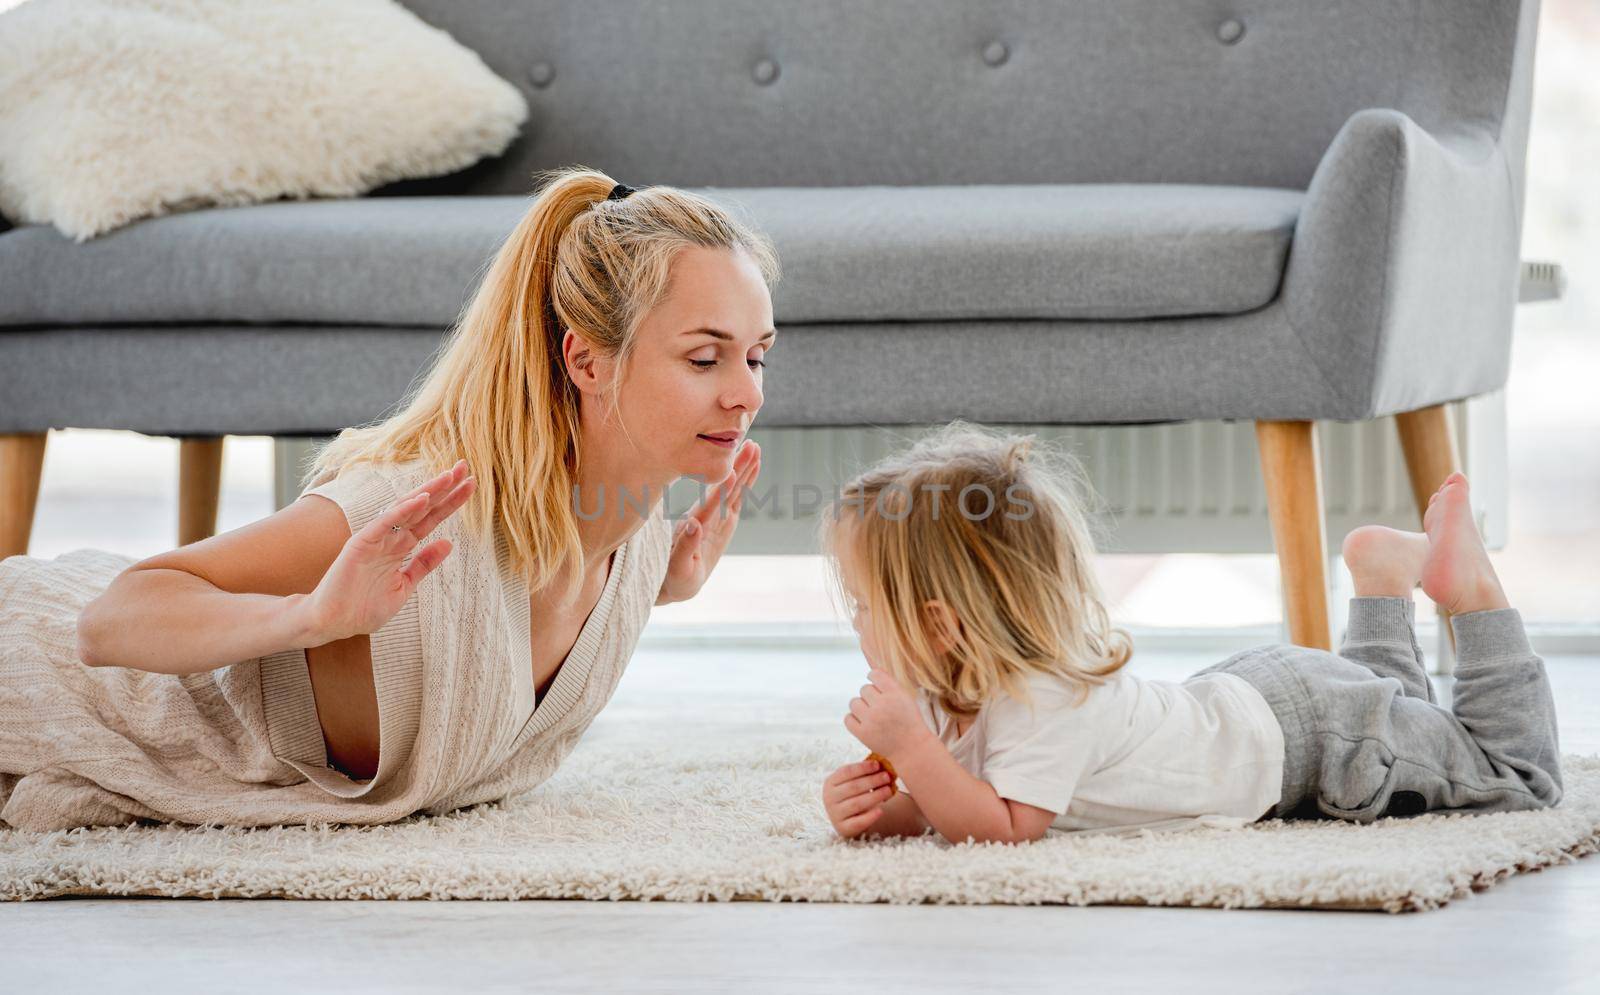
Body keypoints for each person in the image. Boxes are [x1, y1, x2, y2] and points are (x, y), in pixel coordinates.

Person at [0, 167, 779, 831]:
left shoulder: (633, 533)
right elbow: (109, 621)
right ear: (588, 361)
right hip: (36, 673)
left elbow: (519, 627)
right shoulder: (413, 512)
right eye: (705, 358)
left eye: (756, 356)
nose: (745, 393)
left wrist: (666, 582)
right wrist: (311, 617)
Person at [820, 421, 1562, 844]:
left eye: (862, 603)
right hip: (1265, 698)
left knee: (1516, 777)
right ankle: (1382, 581)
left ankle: (1477, 598)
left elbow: (1007, 823)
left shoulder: (1042, 697)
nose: (853, 620)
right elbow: (954, 798)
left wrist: (915, 755)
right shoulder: (952, 688)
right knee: (1395, 710)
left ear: (942, 623)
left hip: (1318, 743)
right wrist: (883, 808)